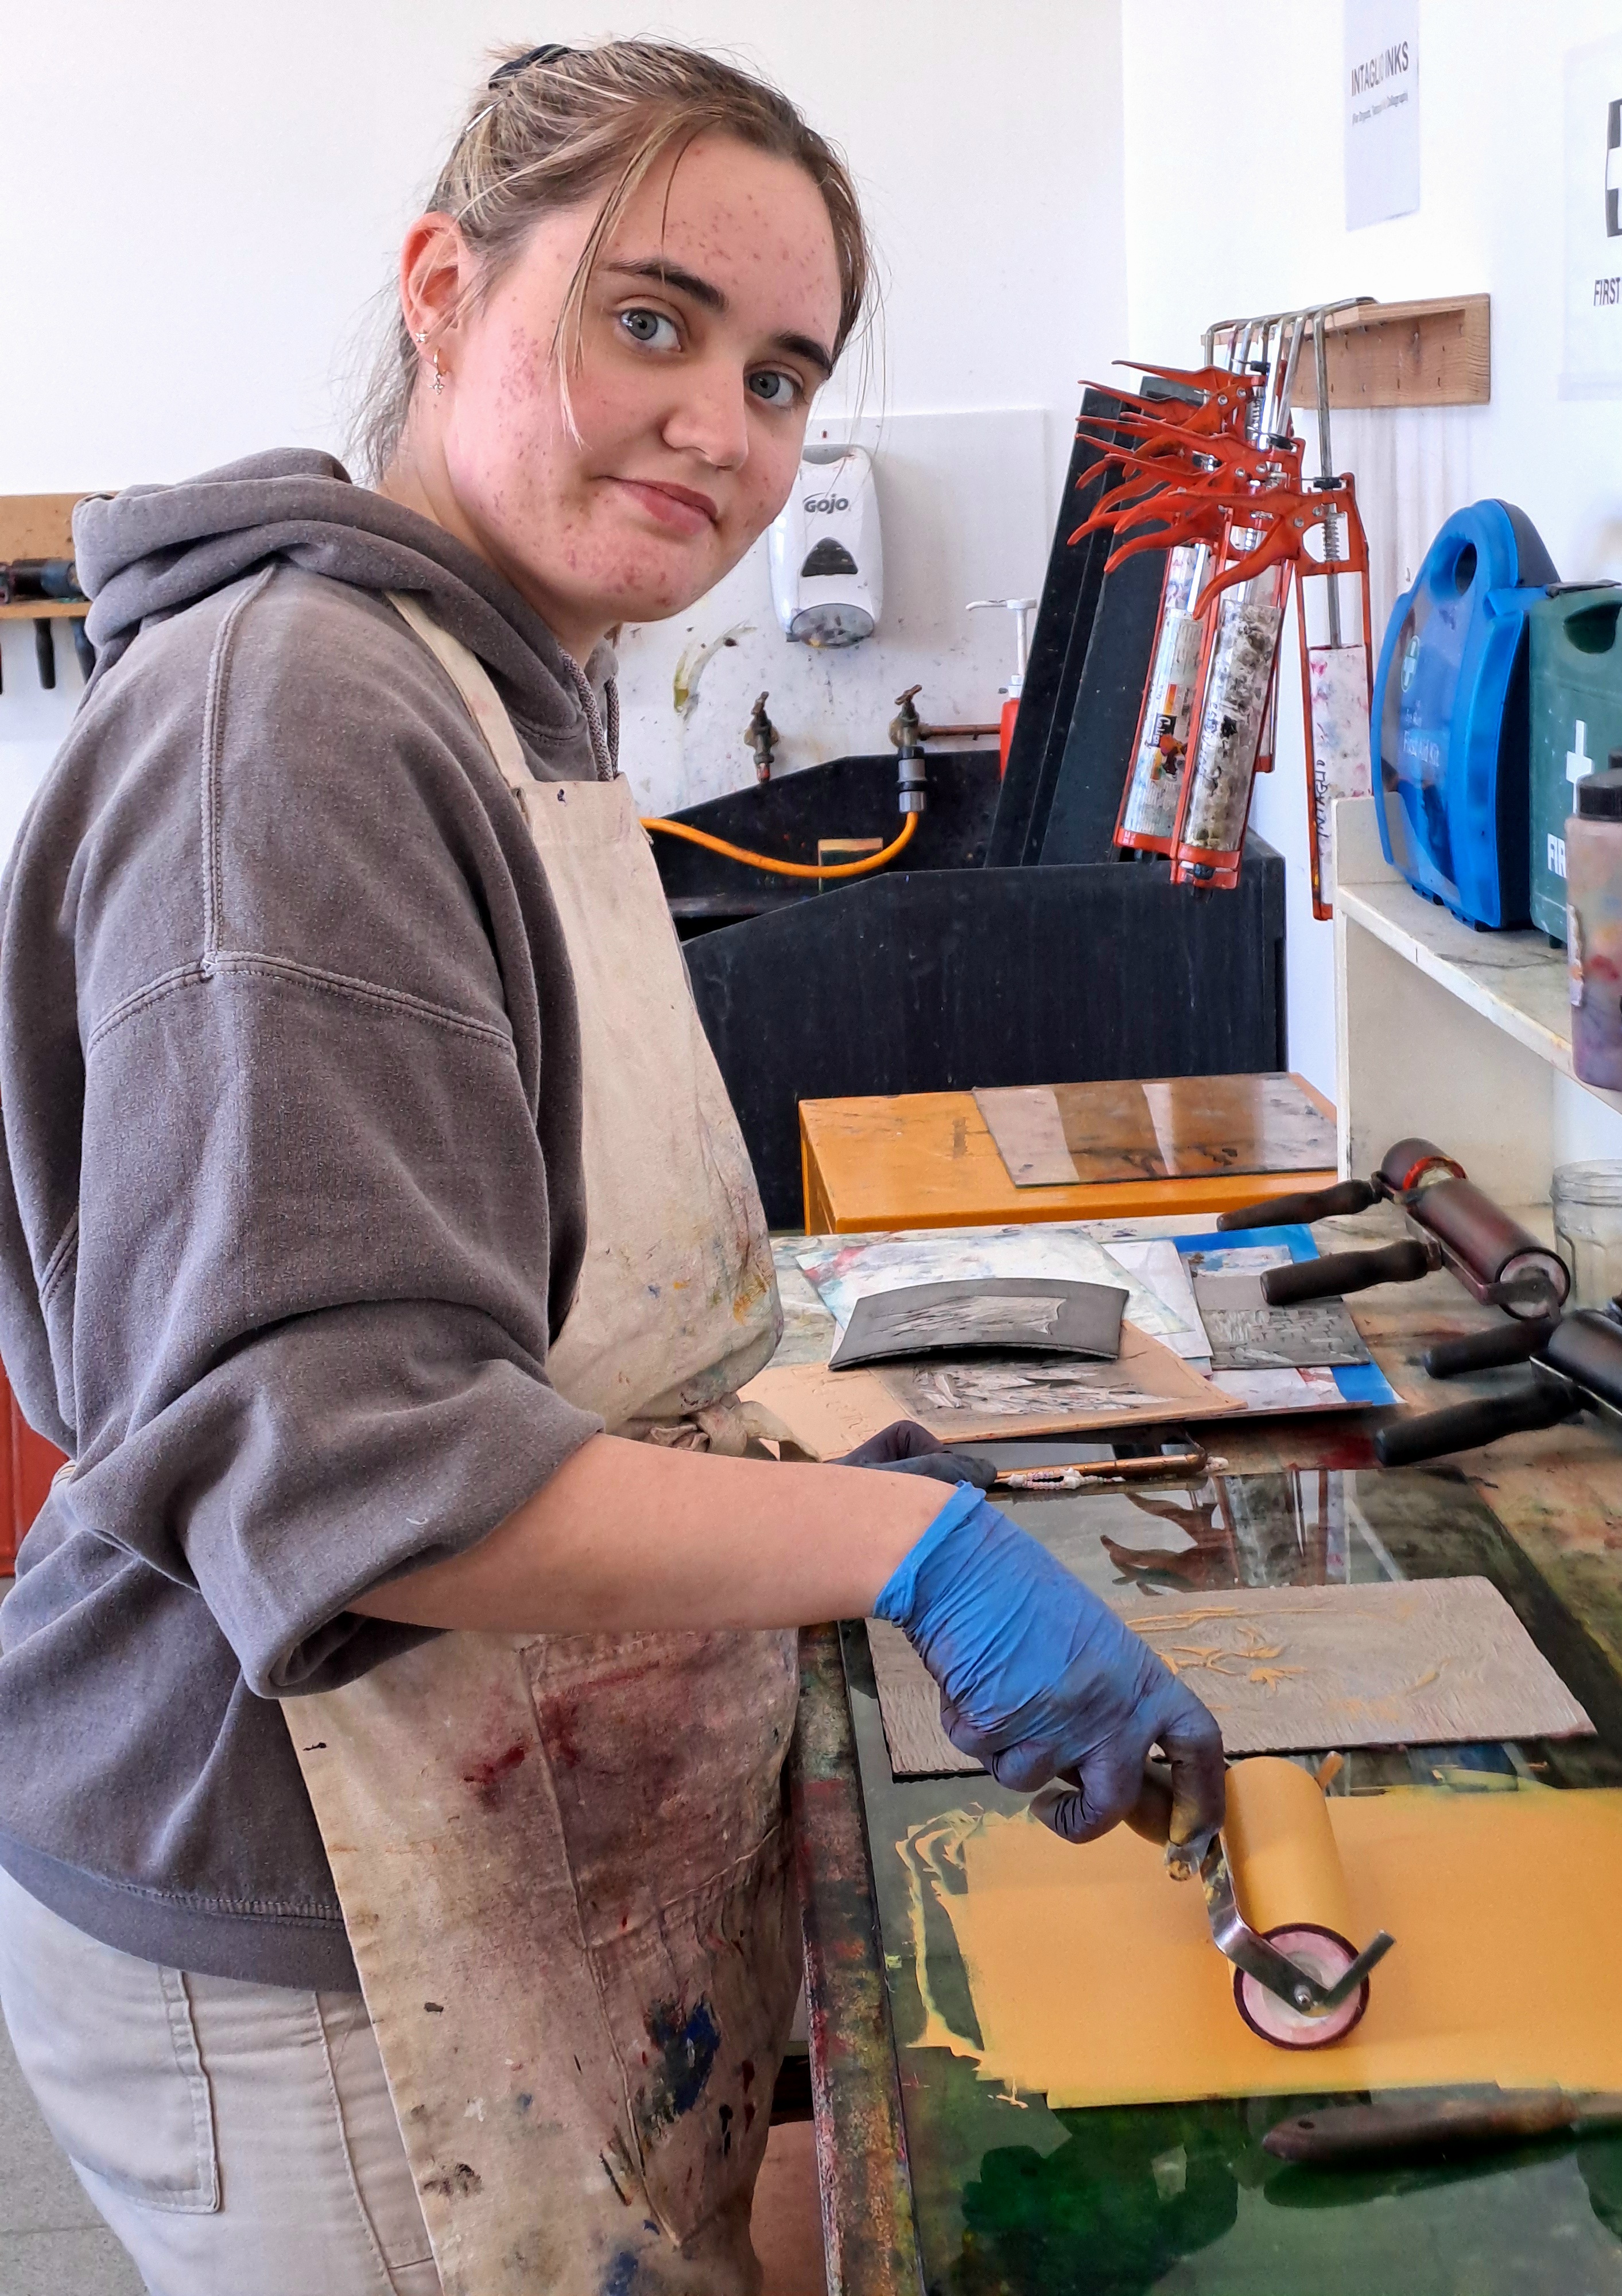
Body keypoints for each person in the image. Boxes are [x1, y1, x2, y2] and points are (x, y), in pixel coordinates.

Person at [0, 39, 1224, 2296]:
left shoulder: (509, 692)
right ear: (446, 289)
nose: (723, 430)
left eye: (782, 376)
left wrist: (880, 1444)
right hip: (298, 1891)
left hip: (497, 1831)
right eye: (651, 322)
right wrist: (914, 1552)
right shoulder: (301, 719)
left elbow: (569, 1319)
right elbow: (350, 1470)